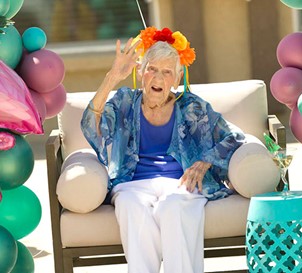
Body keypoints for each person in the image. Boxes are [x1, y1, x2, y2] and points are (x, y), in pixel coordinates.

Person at [81, 27, 246, 273]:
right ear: (141, 71)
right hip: (132, 184)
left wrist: (204, 162)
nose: (158, 78)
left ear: (177, 79)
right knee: (128, 205)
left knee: (173, 206)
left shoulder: (192, 107)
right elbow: (92, 127)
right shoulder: (125, 101)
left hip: (179, 184)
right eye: (152, 69)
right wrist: (113, 77)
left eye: (167, 72)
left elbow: (233, 137)